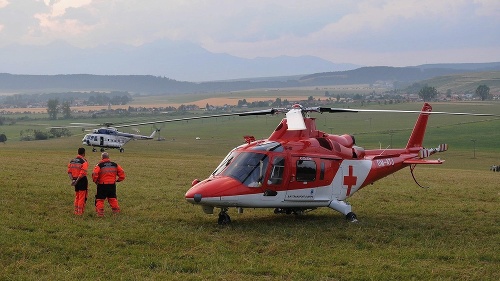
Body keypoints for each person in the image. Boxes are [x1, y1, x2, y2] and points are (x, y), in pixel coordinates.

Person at [92, 152, 125, 217]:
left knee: (100, 199)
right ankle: (116, 212)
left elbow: (94, 173)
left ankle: (100, 213)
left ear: (102, 157)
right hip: (112, 185)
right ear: (108, 157)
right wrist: (118, 180)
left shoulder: (99, 165)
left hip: (102, 185)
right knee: (112, 198)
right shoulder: (115, 164)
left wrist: (95, 181)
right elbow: (122, 173)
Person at [67, 147, 89, 215]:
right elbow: (83, 173)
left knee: (77, 196)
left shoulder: (72, 161)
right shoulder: (84, 161)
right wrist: (77, 180)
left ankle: (76, 210)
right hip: (82, 180)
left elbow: (69, 172)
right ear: (84, 153)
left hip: (75, 179)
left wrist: (73, 180)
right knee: (82, 196)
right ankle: (80, 212)